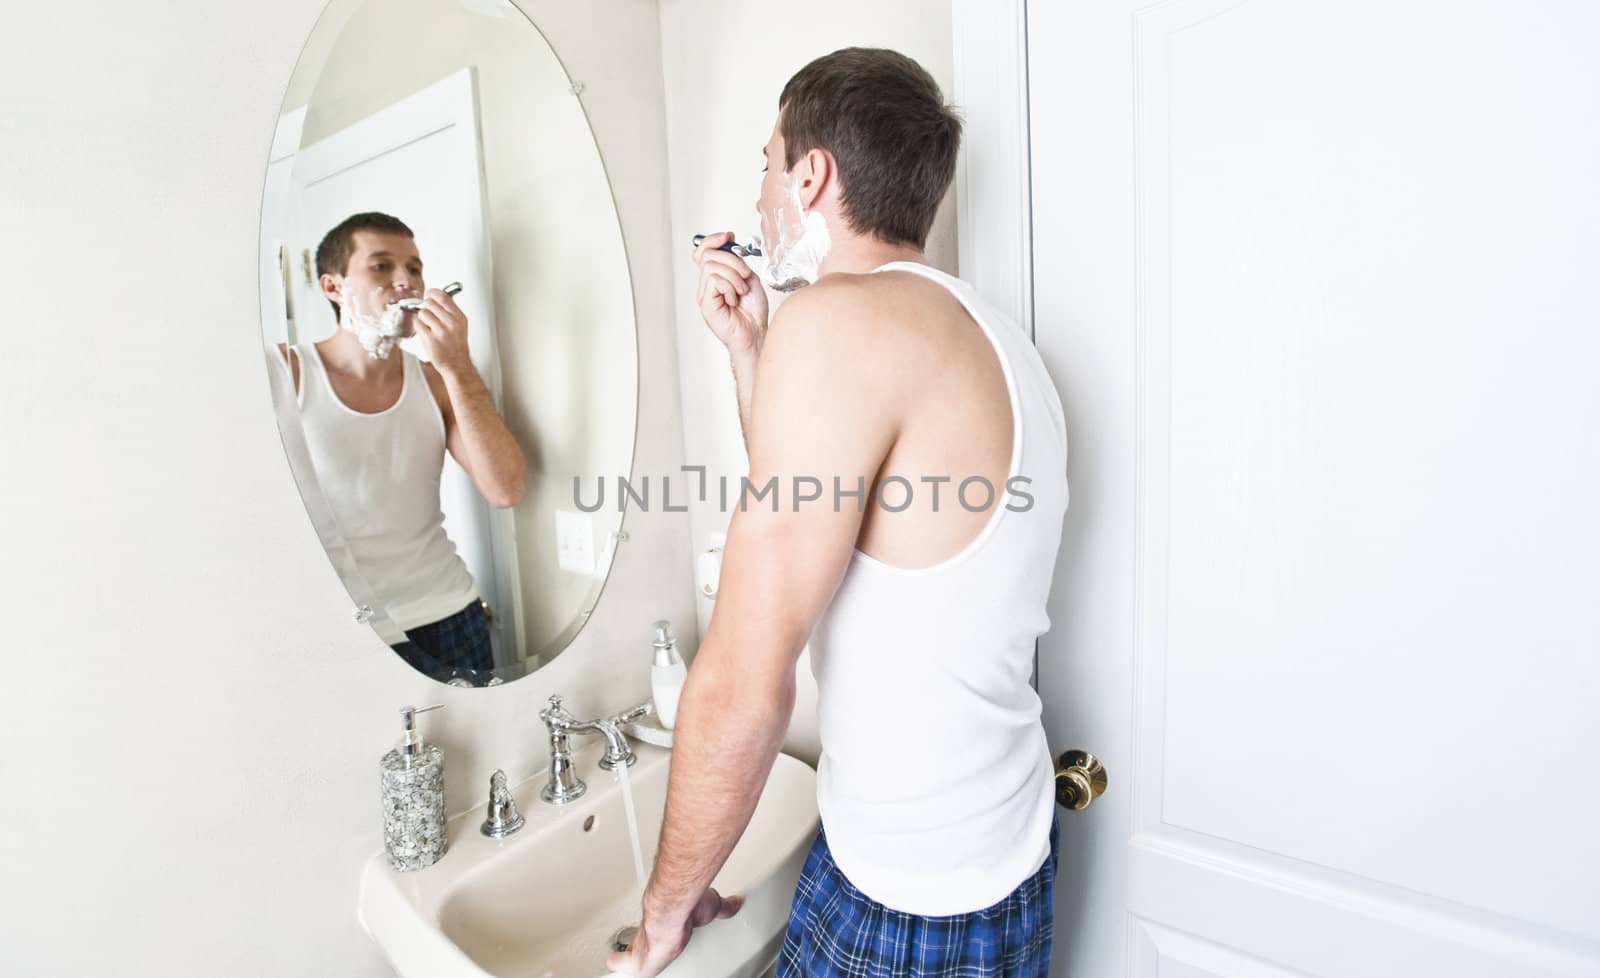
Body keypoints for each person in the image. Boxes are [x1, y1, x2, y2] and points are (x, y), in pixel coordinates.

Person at [608, 48, 1069, 978]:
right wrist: (751, 357)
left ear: (810, 173)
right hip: (996, 855)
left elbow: (744, 676)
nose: (760, 196)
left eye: (767, 163)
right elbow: (830, 515)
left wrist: (663, 912)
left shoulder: (839, 321)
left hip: (910, 898)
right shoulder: (995, 338)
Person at [280, 212, 526, 683]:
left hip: (451, 614)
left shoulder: (437, 381)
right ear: (333, 287)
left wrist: (455, 365)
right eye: (380, 266)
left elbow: (506, 489)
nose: (403, 280)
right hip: (344, 629)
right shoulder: (288, 374)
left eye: (414, 268)